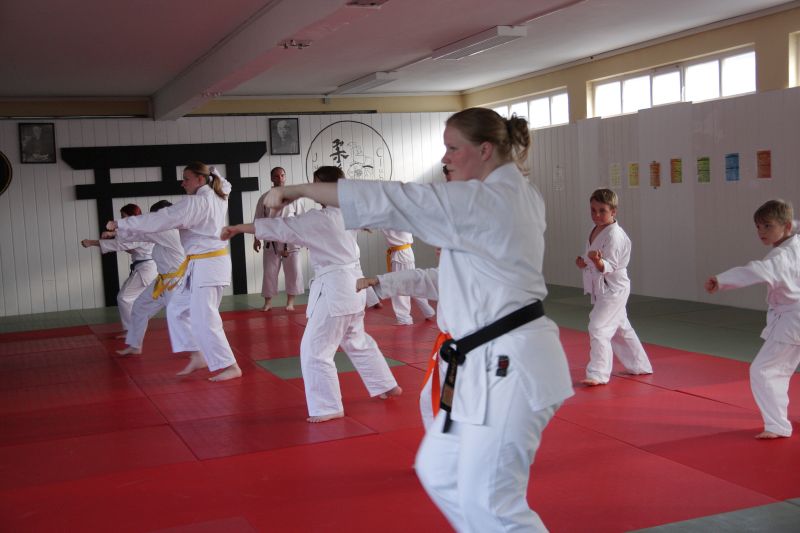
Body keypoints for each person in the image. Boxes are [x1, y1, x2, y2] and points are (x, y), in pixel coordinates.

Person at [260, 109, 574, 532]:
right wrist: (384, 282)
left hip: (509, 364)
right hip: (480, 362)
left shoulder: (490, 200)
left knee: (493, 502)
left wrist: (295, 189)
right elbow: (442, 272)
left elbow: (394, 199)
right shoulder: (502, 197)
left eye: (453, 148)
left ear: (484, 150)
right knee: (439, 470)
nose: (445, 158)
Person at [221, 165, 401, 423]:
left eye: (315, 184)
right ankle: (385, 384)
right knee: (355, 339)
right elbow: (280, 225)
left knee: (315, 349)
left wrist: (238, 228)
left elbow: (281, 228)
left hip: (337, 290)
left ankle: (327, 406)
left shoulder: (321, 218)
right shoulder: (347, 212)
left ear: (322, 187)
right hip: (354, 286)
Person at [106, 162, 241, 382]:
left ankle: (230, 365)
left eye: (186, 179)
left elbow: (161, 218)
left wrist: (121, 223)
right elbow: (226, 184)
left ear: (200, 180)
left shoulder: (196, 203)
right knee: (176, 308)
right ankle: (197, 354)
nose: (182, 183)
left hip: (208, 266)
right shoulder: (219, 193)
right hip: (200, 265)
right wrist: (213, 170)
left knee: (206, 317)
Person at [705, 199, 800, 439]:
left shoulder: (779, 257)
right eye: (758, 226)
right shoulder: (795, 245)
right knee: (775, 370)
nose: (761, 232)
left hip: (792, 323)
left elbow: (754, 270)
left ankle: (777, 426)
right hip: (792, 320)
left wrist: (722, 280)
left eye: (768, 226)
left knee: (764, 370)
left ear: (787, 226)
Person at [574, 189, 653, 386]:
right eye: (593, 210)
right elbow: (593, 257)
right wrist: (584, 261)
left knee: (598, 326)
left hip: (614, 289)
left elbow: (610, 265)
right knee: (620, 328)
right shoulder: (596, 229)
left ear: (613, 211)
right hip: (604, 288)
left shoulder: (615, 235)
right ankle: (640, 365)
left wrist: (597, 262)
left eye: (602, 210)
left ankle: (598, 373)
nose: (596, 215)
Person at [358, 263, 446, 429]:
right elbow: (422, 278)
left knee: (444, 406)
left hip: (476, 355)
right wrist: (379, 281)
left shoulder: (477, 269)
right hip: (452, 351)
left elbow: (424, 279)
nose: (438, 250)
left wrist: (379, 282)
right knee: (431, 401)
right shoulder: (456, 268)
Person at [107, 200, 185, 356]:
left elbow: (143, 231)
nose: (155, 219)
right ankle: (135, 345)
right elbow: (143, 234)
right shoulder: (163, 232)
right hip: (162, 281)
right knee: (139, 307)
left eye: (157, 216)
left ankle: (199, 351)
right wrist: (116, 233)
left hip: (176, 283)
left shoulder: (170, 231)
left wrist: (117, 229)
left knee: (180, 317)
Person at [82, 203, 158, 337]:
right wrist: (112, 233)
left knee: (124, 298)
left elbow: (120, 244)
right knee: (133, 299)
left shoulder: (140, 231)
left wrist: (91, 242)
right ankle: (135, 327)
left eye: (123, 216)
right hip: (146, 268)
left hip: (146, 269)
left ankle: (132, 331)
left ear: (132, 217)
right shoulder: (140, 229)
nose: (122, 220)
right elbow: (128, 241)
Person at [253, 167, 305, 311]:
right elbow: (258, 219)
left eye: (282, 175)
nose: (280, 178)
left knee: (294, 271)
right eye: (276, 176)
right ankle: (268, 303)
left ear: (285, 177)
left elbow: (302, 219)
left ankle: (290, 302)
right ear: (271, 178)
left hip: (291, 240)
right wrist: (256, 239)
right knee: (269, 272)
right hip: (272, 240)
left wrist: (305, 238)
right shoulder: (264, 198)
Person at [381, 229, 436, 325]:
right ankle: (428, 311)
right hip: (405, 252)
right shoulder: (403, 221)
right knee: (412, 284)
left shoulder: (393, 221)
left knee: (399, 286)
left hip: (400, 255)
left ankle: (404, 318)